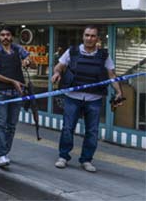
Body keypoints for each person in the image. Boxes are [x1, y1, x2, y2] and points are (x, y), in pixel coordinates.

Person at [51, 25, 123, 173]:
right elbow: (59, 67)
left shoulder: (104, 55)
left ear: (97, 38)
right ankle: (63, 157)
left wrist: (119, 92)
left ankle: (86, 160)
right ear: (83, 36)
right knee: (67, 128)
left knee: (92, 131)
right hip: (73, 97)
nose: (89, 38)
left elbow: (111, 75)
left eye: (92, 36)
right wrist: (57, 73)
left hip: (94, 98)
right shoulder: (72, 51)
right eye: (87, 35)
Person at [0, 25, 32, 167]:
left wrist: (28, 61)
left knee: (12, 125)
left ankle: (5, 153)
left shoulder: (18, 49)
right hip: (2, 93)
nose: (5, 37)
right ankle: (1, 154)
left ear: (12, 36)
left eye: (7, 34)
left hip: (17, 95)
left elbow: (33, 64)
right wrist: (13, 82)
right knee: (1, 124)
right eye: (2, 35)